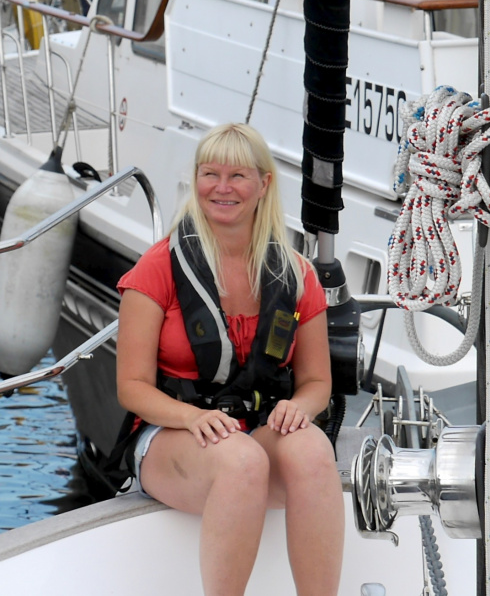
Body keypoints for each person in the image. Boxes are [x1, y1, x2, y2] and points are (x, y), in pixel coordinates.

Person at [113, 122, 343, 596]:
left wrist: (300, 407)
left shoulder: (296, 274)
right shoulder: (156, 269)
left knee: (315, 451)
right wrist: (191, 417)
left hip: (255, 428)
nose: (221, 188)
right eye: (209, 174)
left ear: (264, 184)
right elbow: (131, 387)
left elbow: (317, 381)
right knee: (240, 461)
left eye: (237, 176)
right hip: (170, 437)